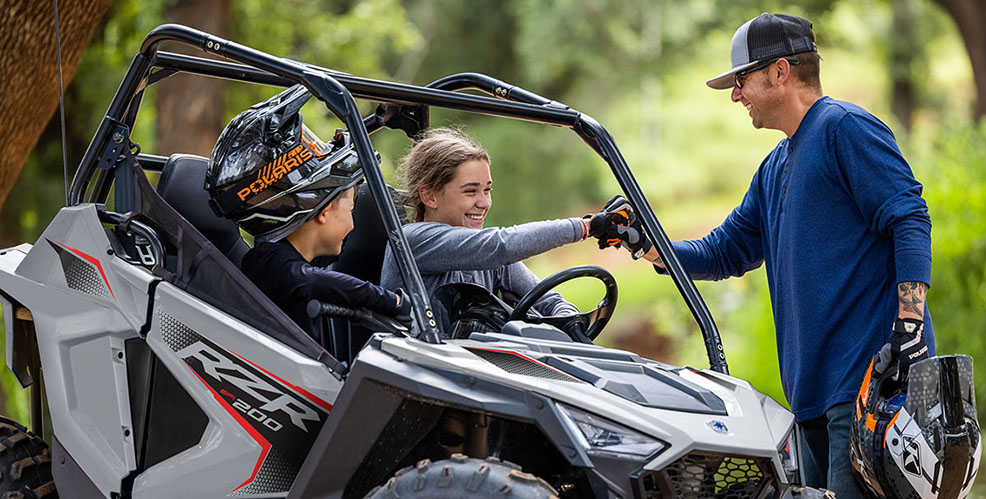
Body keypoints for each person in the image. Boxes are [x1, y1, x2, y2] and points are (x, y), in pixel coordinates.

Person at [609, 13, 934, 497]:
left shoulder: (845, 129)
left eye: (741, 80)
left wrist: (909, 328)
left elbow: (909, 217)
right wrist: (647, 244)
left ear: (780, 72)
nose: (736, 95)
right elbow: (724, 251)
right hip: (810, 400)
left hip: (871, 387)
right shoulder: (774, 166)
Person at [206, 85, 411, 343]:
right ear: (323, 213)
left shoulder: (281, 258)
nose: (352, 224)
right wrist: (392, 301)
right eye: (350, 209)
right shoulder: (270, 263)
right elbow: (313, 282)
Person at [379, 128, 622, 337]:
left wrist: (570, 323)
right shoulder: (412, 241)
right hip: (420, 369)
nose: (484, 203)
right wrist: (586, 226)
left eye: (487, 190)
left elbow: (547, 299)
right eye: (471, 191)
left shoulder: (487, 256)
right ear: (429, 196)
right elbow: (502, 246)